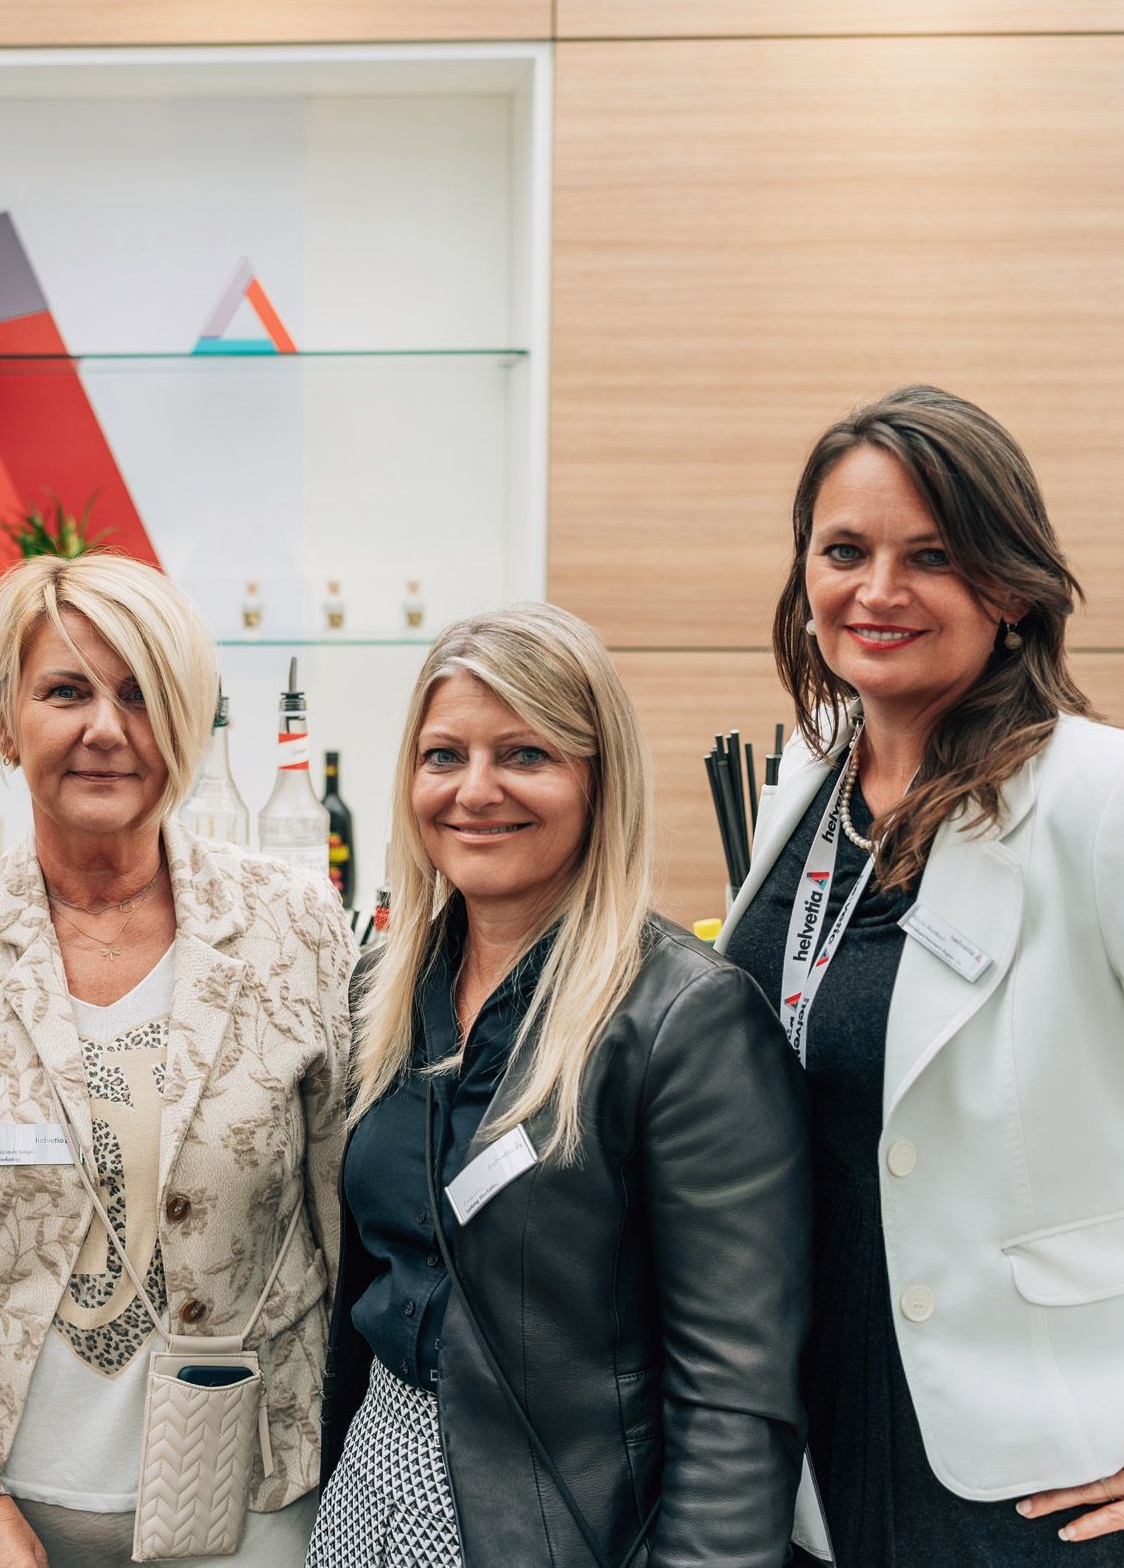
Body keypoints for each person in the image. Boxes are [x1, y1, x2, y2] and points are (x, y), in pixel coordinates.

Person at [720, 385, 1124, 1566]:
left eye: (930, 555)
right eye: (844, 551)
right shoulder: (812, 780)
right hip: (801, 1448)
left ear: (1009, 588)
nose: (876, 589)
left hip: (1024, 1482)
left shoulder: (1115, 803)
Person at [0, 554, 355, 1568]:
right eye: (65, 692)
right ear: (4, 720)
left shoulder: (295, 926)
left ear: (189, 721)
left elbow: (349, 1217)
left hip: (251, 1497)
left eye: (140, 693)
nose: (106, 728)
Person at [310, 603, 810, 1568]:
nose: (475, 790)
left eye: (525, 754)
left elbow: (736, 1393)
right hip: (369, 1496)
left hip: (560, 1523)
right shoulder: (386, 987)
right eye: (444, 755)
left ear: (597, 777)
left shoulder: (685, 1018)